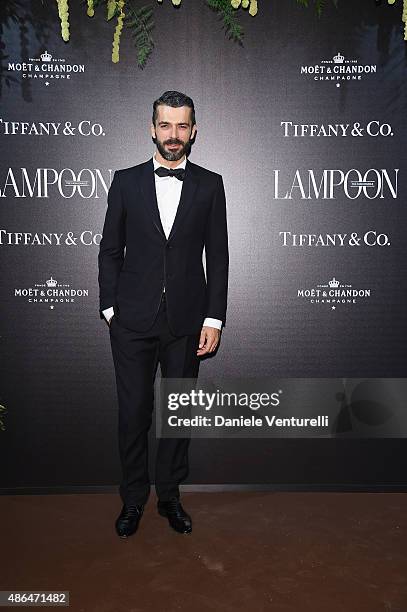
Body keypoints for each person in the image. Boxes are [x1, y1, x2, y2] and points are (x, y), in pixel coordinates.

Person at [98, 90, 229, 538]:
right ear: (152, 128)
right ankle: (133, 499)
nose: (174, 135)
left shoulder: (211, 185)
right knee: (133, 413)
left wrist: (213, 319)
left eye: (182, 126)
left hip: (186, 324)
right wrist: (111, 309)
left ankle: (170, 496)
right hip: (132, 321)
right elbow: (109, 250)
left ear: (194, 131)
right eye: (166, 125)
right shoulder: (125, 181)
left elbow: (220, 256)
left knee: (177, 414)